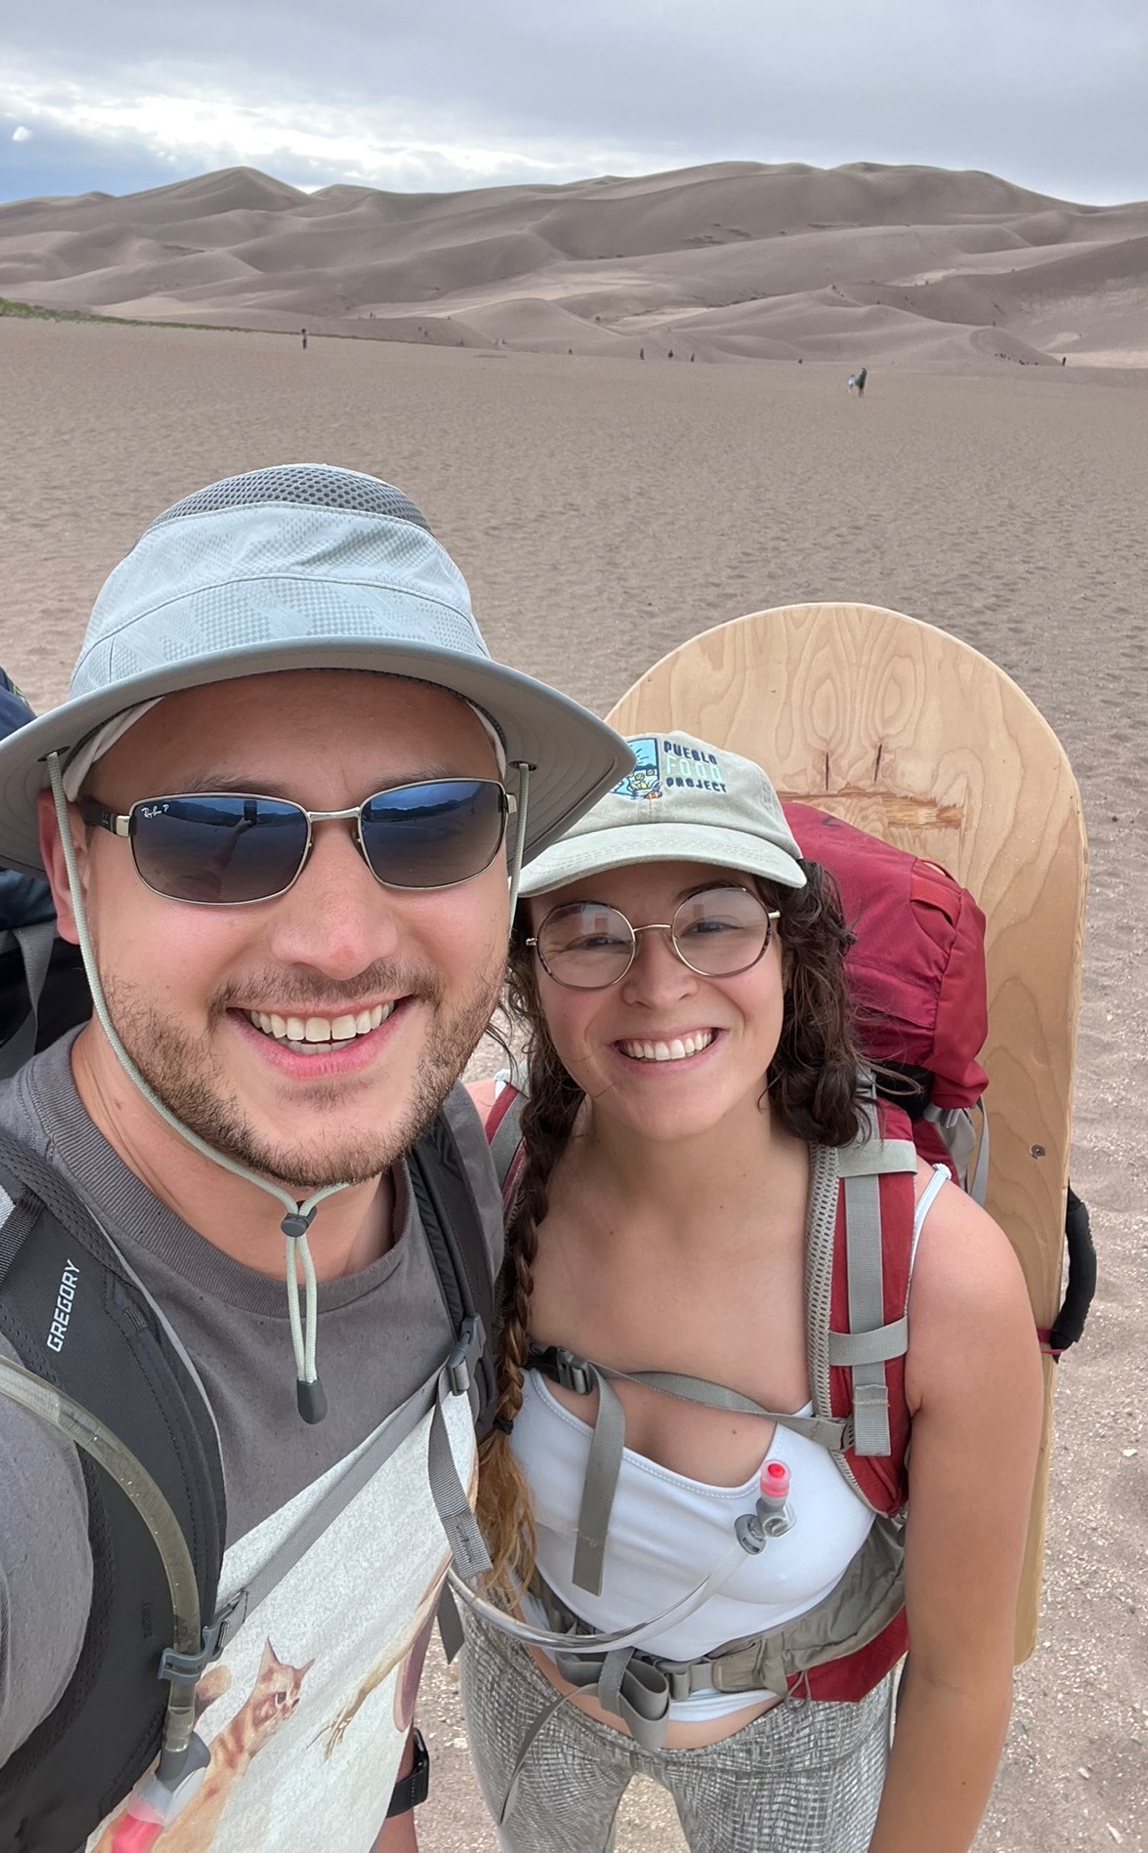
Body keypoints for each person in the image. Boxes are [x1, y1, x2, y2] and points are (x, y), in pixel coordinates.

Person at [0, 466, 629, 1853]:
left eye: (430, 824)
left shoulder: (445, 1170)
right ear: (71, 869)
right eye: (219, 835)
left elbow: (353, 1672)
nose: (343, 943)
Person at [460, 737, 1041, 1853]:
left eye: (715, 920)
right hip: (523, 1674)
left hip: (793, 1732)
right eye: (590, 932)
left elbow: (961, 1681)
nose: (657, 985)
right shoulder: (478, 1172)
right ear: (530, 968)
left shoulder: (936, 1279)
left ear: (792, 949)